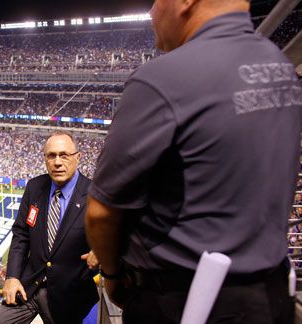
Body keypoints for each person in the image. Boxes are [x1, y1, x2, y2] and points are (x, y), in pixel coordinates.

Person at [85, 0, 302, 323]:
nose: (151, 12)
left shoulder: (161, 78)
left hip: (186, 302)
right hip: (270, 296)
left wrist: (113, 275)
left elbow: (101, 213)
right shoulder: (280, 64)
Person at [0, 131, 98, 324]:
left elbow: (115, 236)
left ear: (78, 157)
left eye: (64, 155)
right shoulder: (34, 187)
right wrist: (12, 276)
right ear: (45, 159)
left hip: (69, 293)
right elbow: (21, 234)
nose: (57, 162)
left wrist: (100, 251)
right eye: (51, 155)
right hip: (29, 286)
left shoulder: (95, 194)